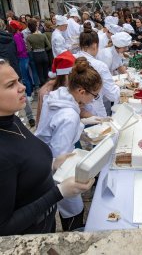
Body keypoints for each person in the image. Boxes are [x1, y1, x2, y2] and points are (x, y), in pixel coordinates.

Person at [0, 58, 94, 235]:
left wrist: (52, 163)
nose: (22, 87)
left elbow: (26, 159)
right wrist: (58, 192)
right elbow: (4, 227)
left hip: (45, 224)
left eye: (19, 80)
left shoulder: (11, 120)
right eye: (11, 85)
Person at [35, 57, 101, 231]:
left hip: (42, 154)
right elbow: (60, 154)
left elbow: (56, 125)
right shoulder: (70, 116)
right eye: (94, 95)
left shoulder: (61, 95)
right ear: (81, 91)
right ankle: (73, 230)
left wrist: (85, 122)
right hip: (57, 169)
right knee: (72, 207)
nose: (94, 100)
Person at [76, 23, 120, 117]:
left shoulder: (71, 59)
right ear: (95, 45)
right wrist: (118, 87)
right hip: (94, 112)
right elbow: (112, 95)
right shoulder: (99, 66)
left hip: (76, 112)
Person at [36, 50, 76, 126]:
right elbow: (41, 119)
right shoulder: (46, 92)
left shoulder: (70, 86)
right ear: (65, 75)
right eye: (73, 74)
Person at [26, 19, 51, 86]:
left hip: (36, 56)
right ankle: (48, 85)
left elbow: (29, 50)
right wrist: (43, 49)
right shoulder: (43, 35)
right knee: (46, 72)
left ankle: (43, 86)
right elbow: (49, 46)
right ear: (36, 26)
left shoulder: (28, 37)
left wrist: (34, 50)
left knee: (39, 73)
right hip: (44, 54)